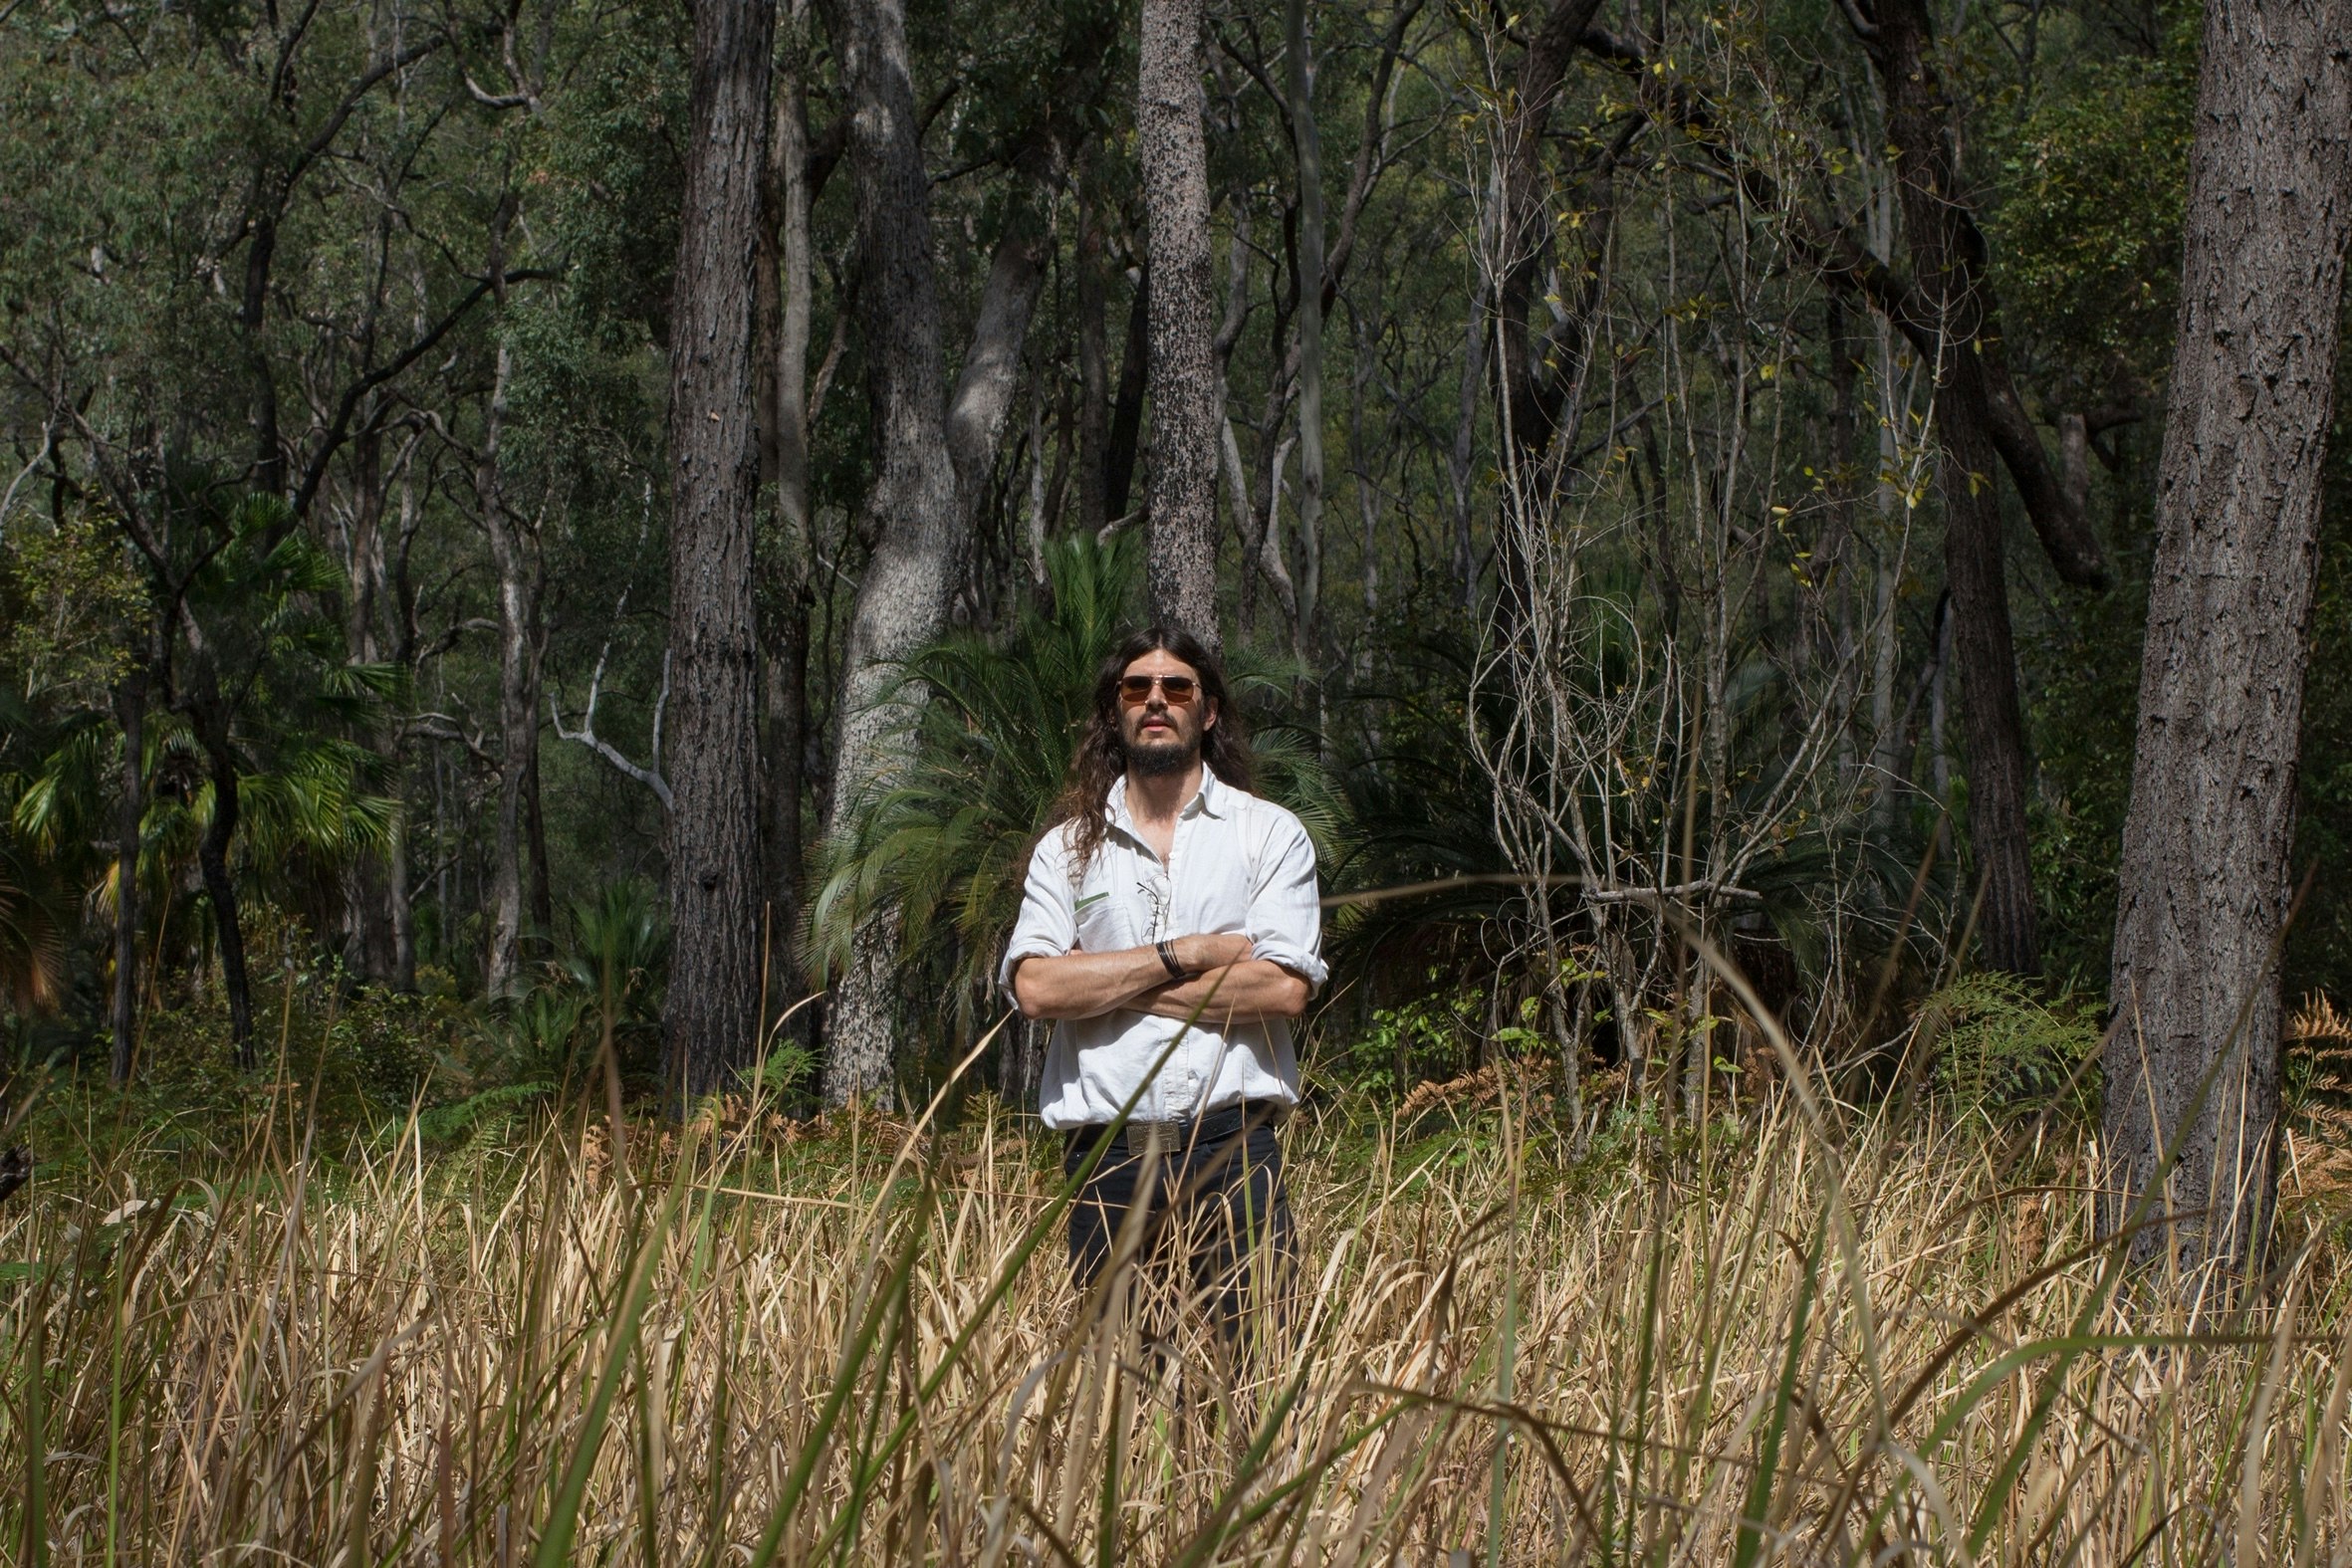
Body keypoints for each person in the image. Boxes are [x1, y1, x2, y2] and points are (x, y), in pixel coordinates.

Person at [999, 627, 1325, 1330]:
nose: (1156, 700)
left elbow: (1283, 989)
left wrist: (1104, 977)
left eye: (1177, 687)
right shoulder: (1067, 850)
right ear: (1115, 712)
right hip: (1107, 1161)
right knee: (1117, 1404)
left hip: (1234, 1154)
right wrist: (1192, 952)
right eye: (1136, 688)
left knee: (1254, 1384)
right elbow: (1035, 988)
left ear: (1206, 711)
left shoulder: (1268, 834)